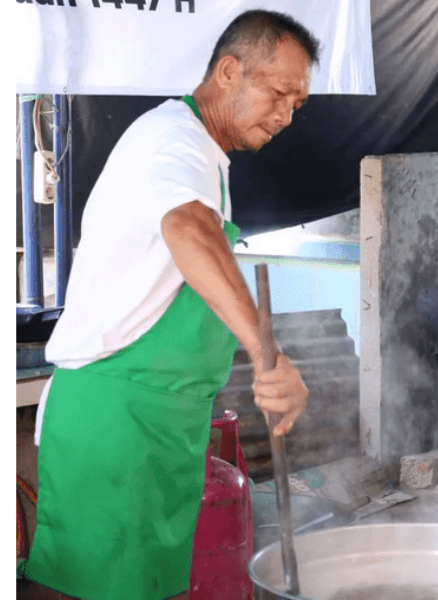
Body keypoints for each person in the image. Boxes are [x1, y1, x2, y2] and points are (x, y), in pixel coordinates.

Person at [23, 10, 318, 600]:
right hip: (119, 420)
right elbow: (189, 229)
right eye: (279, 94)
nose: (286, 116)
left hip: (164, 426)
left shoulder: (205, 156)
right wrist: (267, 356)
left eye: (299, 104)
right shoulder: (173, 140)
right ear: (229, 71)